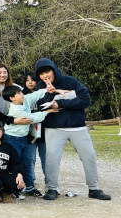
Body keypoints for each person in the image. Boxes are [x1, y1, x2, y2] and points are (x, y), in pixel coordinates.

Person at [34, 58, 111, 201]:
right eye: (41, 74)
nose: (45, 76)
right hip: (54, 128)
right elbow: (40, 106)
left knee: (89, 156)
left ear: (54, 70)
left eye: (47, 71)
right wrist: (50, 93)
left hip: (78, 127)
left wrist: (61, 103)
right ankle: (52, 189)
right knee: (52, 158)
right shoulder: (40, 86)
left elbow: (85, 100)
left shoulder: (71, 81)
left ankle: (93, 189)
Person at [3, 85, 64, 197]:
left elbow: (35, 95)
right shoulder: (16, 109)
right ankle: (13, 189)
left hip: (23, 138)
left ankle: (30, 188)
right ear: (12, 98)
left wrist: (47, 89)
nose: (22, 94)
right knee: (14, 164)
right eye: (19, 93)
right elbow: (32, 118)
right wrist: (48, 111)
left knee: (27, 162)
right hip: (12, 139)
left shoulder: (24, 100)